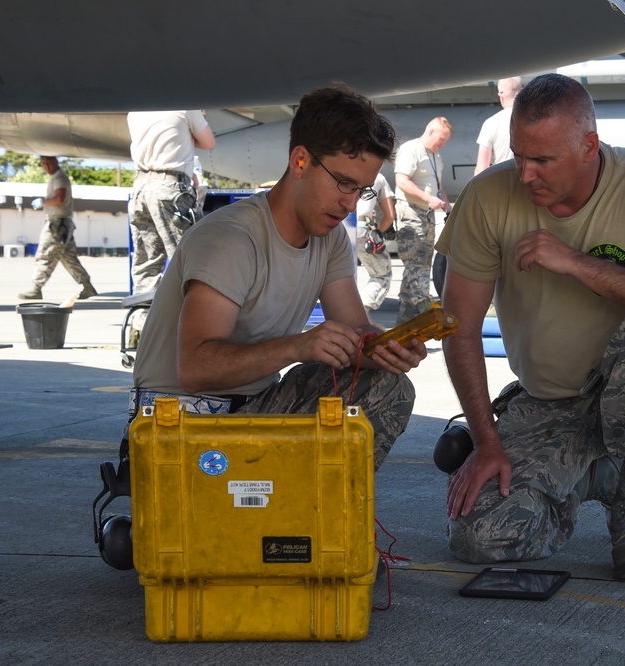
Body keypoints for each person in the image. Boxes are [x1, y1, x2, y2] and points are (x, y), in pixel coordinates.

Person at [435, 74, 625, 582]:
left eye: (543, 161)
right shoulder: (488, 197)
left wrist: (578, 264)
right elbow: (460, 328)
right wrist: (486, 442)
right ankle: (589, 473)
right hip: (547, 402)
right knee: (481, 537)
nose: (525, 174)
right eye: (519, 155)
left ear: (589, 147)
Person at [131, 84, 426, 472]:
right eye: (342, 182)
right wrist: (298, 347)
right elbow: (195, 370)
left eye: (361, 189)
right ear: (300, 161)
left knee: (388, 386)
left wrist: (388, 348)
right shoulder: (231, 239)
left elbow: (355, 333)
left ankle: (306, 515)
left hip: (253, 408)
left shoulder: (331, 239)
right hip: (180, 424)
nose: (350, 203)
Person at [126, 110, 217, 344]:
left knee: (146, 264)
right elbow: (209, 142)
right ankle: (196, 334)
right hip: (170, 190)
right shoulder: (185, 107)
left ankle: (140, 334)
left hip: (140, 189)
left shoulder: (135, 110)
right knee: (190, 261)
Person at [394, 117, 453, 324]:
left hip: (426, 215)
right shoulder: (412, 150)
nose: (443, 144)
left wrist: (448, 208)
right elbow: (401, 181)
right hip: (411, 213)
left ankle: (406, 319)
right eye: (442, 139)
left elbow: (439, 188)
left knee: (423, 264)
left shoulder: (435, 156)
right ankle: (421, 308)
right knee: (416, 264)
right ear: (430, 132)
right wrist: (429, 199)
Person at [18, 157, 97, 300]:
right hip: (63, 224)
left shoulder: (59, 178)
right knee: (68, 257)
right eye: (43, 163)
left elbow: (59, 198)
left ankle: (36, 287)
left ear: (56, 162)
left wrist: (44, 202)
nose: (46, 166)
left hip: (57, 224)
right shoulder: (57, 177)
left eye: (48, 162)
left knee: (45, 254)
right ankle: (87, 286)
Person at [356, 172, 395, 310]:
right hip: (361, 229)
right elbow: (389, 216)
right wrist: (377, 233)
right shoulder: (378, 177)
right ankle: (360, 312)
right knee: (381, 275)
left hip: (336, 226)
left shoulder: (339, 169)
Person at [474, 76, 522, 175]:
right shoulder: (535, 119)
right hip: (530, 185)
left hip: (502, 185)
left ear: (501, 95)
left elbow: (482, 169)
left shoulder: (491, 123)